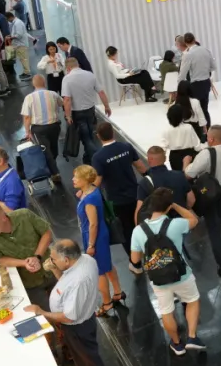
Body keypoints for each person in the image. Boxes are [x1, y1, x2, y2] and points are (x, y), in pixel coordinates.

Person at [25, 239, 112, 366]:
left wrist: (42, 312)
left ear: (66, 259)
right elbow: (66, 286)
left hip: (77, 327)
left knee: (89, 362)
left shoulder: (79, 280)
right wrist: (55, 269)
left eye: (53, 258)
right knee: (82, 360)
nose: (51, 260)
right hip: (81, 322)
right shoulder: (85, 259)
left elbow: (69, 316)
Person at [130, 187, 206, 355]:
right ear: (168, 206)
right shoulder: (176, 224)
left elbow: (135, 259)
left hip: (158, 279)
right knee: (192, 300)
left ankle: (177, 344)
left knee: (166, 311)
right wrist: (175, 206)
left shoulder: (138, 231)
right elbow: (194, 220)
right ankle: (192, 337)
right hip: (181, 274)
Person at [184, 125, 221, 272]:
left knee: (214, 231)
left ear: (211, 139)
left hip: (212, 198)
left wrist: (186, 163)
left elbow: (189, 174)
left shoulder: (206, 154)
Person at [93, 122, 148, 272]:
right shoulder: (126, 147)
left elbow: (97, 181)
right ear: (112, 132)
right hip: (136, 195)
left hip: (116, 200)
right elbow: (141, 167)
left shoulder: (98, 157)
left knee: (126, 231)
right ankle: (151, 254)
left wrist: (86, 192)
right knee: (142, 225)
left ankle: (136, 263)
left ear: (98, 136)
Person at [0, 205, 56, 309]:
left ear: (4, 218)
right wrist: (24, 263)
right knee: (46, 311)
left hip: (52, 269)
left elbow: (46, 233)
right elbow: (0, 259)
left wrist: (37, 256)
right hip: (29, 282)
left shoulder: (25, 215)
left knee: (69, 301)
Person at [73, 165, 124, 317]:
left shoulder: (89, 200)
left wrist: (91, 245)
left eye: (76, 177)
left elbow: (93, 224)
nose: (73, 179)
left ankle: (107, 303)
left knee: (99, 271)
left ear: (85, 180)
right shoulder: (92, 190)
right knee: (107, 265)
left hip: (94, 237)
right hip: (100, 234)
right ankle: (118, 292)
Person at [62, 58, 112, 164]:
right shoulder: (90, 75)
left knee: (86, 138)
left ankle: (98, 160)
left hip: (77, 113)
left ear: (68, 68)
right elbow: (101, 92)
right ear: (78, 65)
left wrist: (68, 116)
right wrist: (107, 106)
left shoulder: (67, 79)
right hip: (90, 110)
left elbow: (67, 99)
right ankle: (88, 158)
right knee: (92, 135)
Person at [135, 146, 195, 224]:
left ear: (149, 160)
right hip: (182, 223)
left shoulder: (145, 182)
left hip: (160, 227)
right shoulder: (180, 175)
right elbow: (191, 200)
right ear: (165, 158)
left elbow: (139, 213)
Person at [21, 75, 63, 181]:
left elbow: (26, 117)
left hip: (38, 129)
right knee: (53, 147)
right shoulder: (53, 94)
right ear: (44, 83)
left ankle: (54, 173)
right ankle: (53, 168)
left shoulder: (29, 98)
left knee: (45, 150)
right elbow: (61, 103)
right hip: (54, 126)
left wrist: (27, 131)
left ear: (33, 84)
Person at [178, 32, 218, 127]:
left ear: (185, 42)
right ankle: (208, 129)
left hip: (195, 85)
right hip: (206, 83)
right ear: (194, 39)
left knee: (196, 110)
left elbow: (182, 74)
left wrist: (178, 85)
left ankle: (200, 130)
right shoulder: (206, 50)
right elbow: (214, 67)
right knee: (205, 109)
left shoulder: (188, 54)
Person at [161, 105, 204, 171]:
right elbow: (197, 145)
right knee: (189, 174)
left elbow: (163, 147)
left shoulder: (167, 130)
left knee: (177, 175)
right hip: (189, 155)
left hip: (174, 157)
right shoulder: (188, 127)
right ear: (182, 116)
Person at [5, 11, 33, 78]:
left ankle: (27, 73)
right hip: (19, 44)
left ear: (9, 17)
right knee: (22, 59)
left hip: (21, 44)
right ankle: (25, 71)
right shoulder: (16, 23)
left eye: (7, 19)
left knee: (24, 59)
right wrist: (10, 35)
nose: (8, 21)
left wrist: (10, 37)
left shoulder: (17, 23)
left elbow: (19, 35)